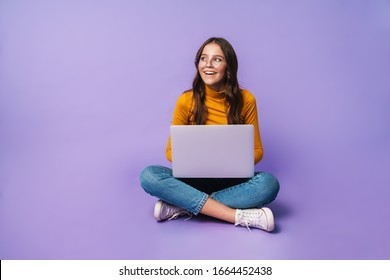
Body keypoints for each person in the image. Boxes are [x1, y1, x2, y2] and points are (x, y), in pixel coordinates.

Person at [140, 37, 279, 232]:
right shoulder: (186, 100)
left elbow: (257, 151)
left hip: (231, 179)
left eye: (217, 59)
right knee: (149, 175)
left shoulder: (246, 99)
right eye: (203, 59)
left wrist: (230, 163)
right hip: (194, 179)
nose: (208, 65)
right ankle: (237, 216)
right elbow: (171, 152)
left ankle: (182, 205)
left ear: (229, 65)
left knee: (268, 184)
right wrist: (196, 162)